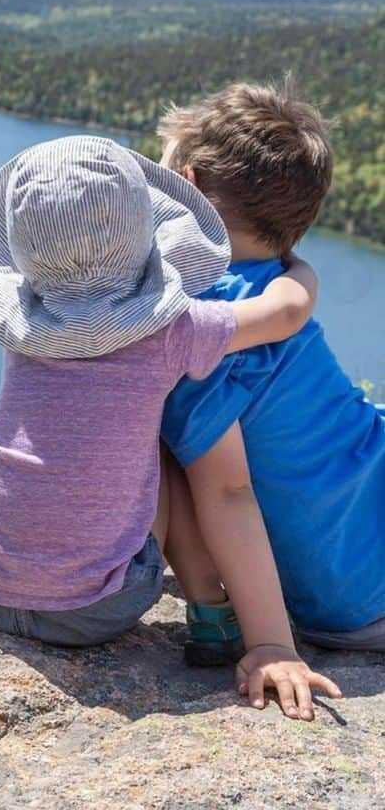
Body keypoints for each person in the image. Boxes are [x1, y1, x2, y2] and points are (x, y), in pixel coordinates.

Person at [0, 134, 341, 719]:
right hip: (94, 611)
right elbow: (285, 312)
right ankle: (211, 612)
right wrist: (296, 264)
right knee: (169, 438)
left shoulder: (19, 317)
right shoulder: (169, 329)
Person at [160, 78, 385, 652]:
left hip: (350, 597)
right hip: (362, 573)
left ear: (186, 186)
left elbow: (226, 492)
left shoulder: (190, 323)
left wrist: (269, 645)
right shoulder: (273, 293)